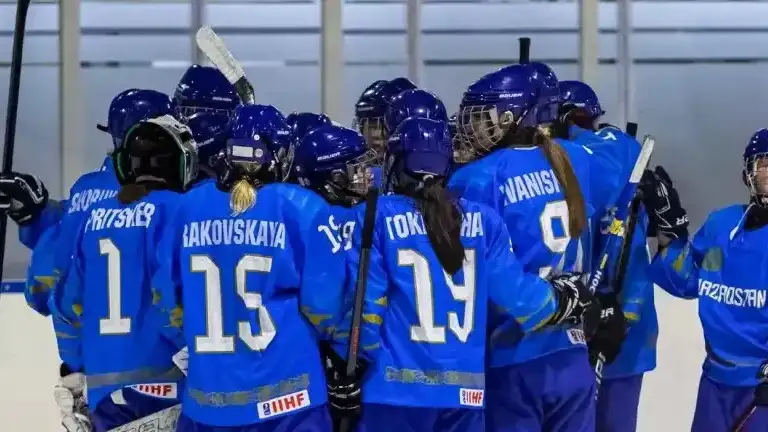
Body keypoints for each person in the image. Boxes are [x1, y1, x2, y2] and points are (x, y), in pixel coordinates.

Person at [334, 116, 596, 432]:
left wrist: (347, 366)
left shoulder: (374, 216)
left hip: (394, 392)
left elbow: (366, 311)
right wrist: (563, 298)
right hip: (465, 394)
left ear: (395, 163)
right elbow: (519, 298)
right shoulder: (484, 221)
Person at [449, 62, 635, 432]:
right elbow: (626, 153)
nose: (473, 129)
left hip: (512, 356)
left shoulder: (476, 178)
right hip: (572, 352)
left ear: (514, 118)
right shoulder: (574, 158)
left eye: (484, 118)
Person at [152, 104, 347, 431]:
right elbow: (326, 306)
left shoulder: (186, 207)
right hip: (290, 402)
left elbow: (166, 301)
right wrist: (342, 354)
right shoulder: (301, 206)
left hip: (206, 403)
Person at [51, 114, 199, 432]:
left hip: (103, 391)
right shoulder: (182, 211)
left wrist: (74, 369)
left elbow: (65, 304)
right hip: (168, 385)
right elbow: (172, 297)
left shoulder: (93, 217)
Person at [646, 129, 768, 431]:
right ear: (747, 174)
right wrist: (669, 229)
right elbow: (688, 281)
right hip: (715, 381)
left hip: (761, 385)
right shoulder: (721, 225)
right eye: (764, 164)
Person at [560, 80, 657, 432]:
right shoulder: (614, 156)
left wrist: (621, 318)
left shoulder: (597, 154)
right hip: (588, 327)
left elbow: (634, 260)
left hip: (612, 334)